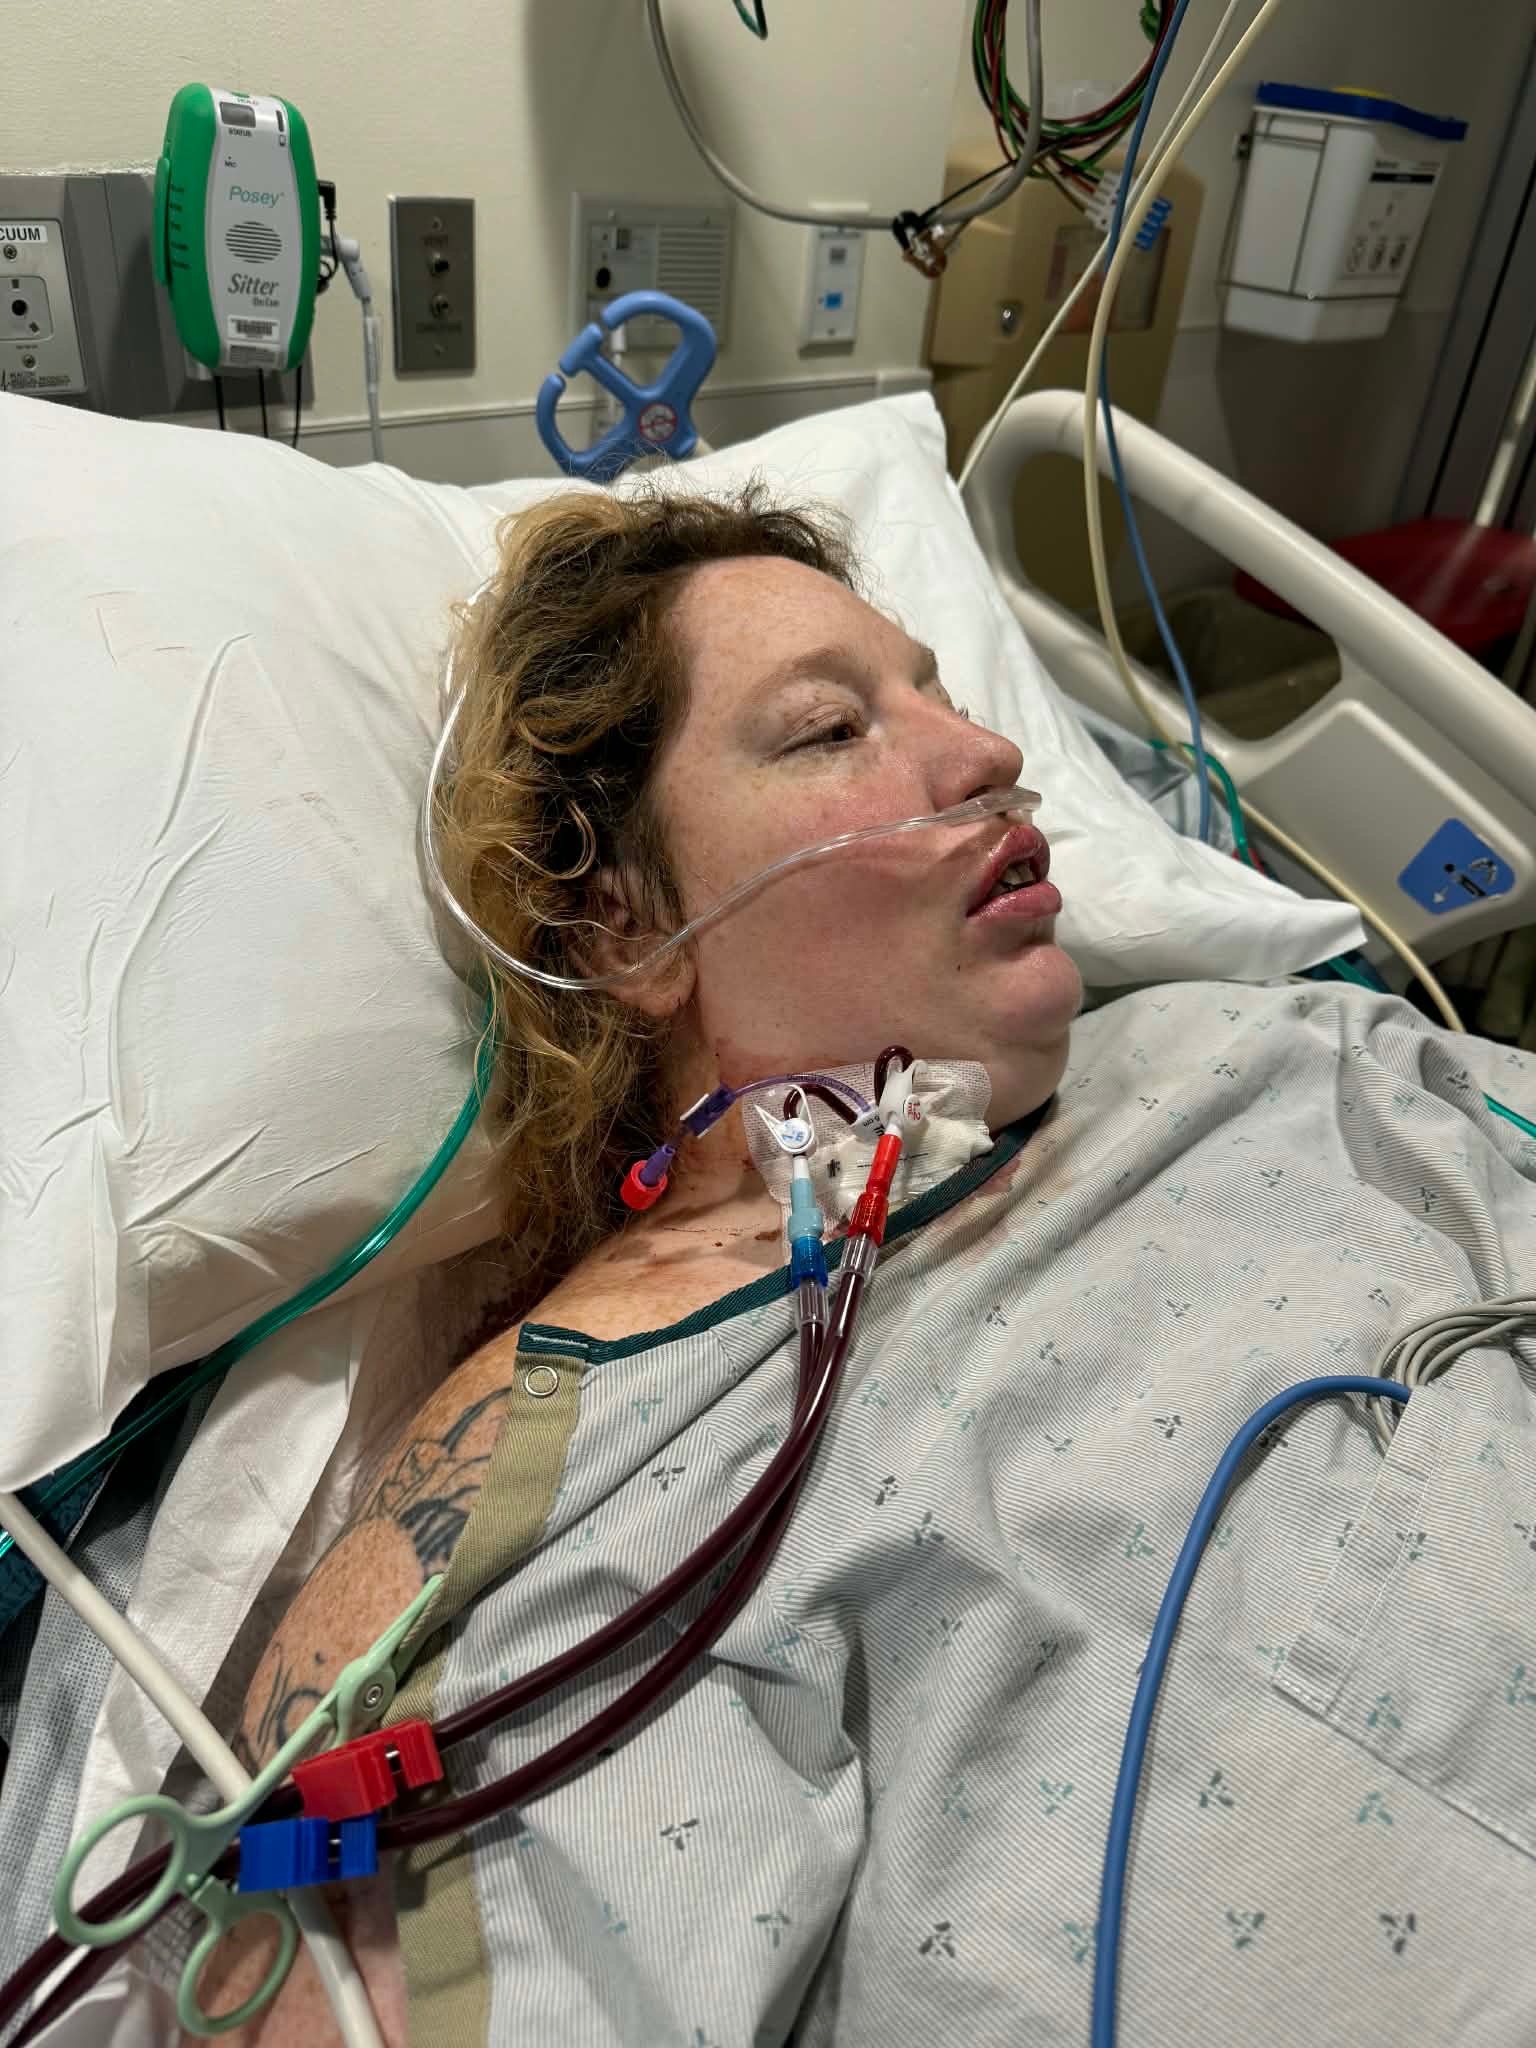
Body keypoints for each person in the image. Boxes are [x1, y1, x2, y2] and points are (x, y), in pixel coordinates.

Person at [198, 486, 1536, 2047]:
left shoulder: (1272, 1041)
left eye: (941, 693)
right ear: (626, 929)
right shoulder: (609, 1438)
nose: (986, 754)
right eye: (831, 730)